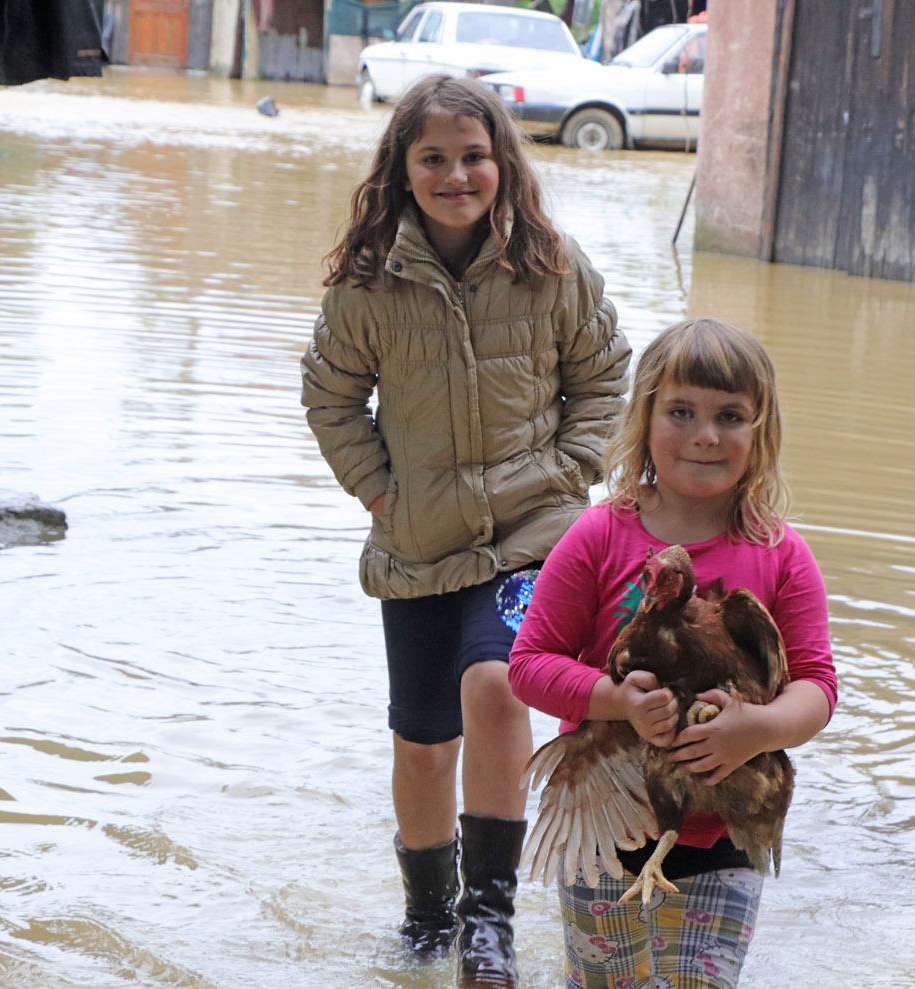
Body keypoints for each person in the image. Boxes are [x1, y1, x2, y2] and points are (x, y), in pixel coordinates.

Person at [300, 75, 630, 987]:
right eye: (434, 159)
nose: (457, 174)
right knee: (422, 740)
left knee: (497, 682)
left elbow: (605, 375)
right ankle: (427, 913)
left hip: (535, 532)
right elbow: (330, 399)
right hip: (417, 540)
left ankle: (489, 921)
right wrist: (380, 496)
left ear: (503, 163)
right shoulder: (367, 284)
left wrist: (571, 471)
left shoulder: (552, 265)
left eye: (474, 156)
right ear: (402, 171)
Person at [508, 318, 836, 987]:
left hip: (729, 828)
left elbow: (817, 687)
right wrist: (616, 701)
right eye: (681, 411)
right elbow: (529, 662)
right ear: (645, 416)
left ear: (761, 431)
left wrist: (760, 727)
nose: (706, 435)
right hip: (603, 822)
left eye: (730, 416)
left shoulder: (781, 554)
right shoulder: (599, 535)